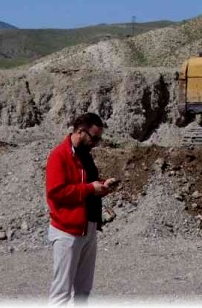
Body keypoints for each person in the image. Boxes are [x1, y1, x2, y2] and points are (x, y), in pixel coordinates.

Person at [45, 112, 120, 305]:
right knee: (61, 292)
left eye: (99, 139)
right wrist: (90, 189)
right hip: (67, 231)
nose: (96, 143)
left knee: (83, 291)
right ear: (80, 131)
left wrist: (102, 186)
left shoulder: (85, 155)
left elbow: (87, 184)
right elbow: (56, 192)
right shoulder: (59, 156)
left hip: (89, 227)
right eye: (94, 138)